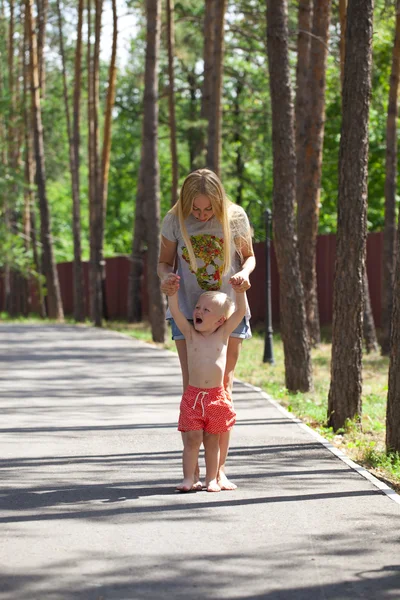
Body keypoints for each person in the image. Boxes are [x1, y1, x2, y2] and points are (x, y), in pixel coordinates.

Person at [158, 168, 255, 490]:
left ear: (218, 200)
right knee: (193, 390)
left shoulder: (235, 217)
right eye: (195, 209)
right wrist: (165, 279)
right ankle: (192, 472)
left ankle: (218, 470)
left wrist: (244, 276)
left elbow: (249, 257)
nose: (201, 214)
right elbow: (164, 262)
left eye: (207, 209)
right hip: (187, 310)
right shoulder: (174, 220)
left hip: (228, 309)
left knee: (222, 390)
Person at [167, 284, 246, 492]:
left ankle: (212, 479)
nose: (198, 312)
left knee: (213, 441)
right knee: (192, 440)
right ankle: (189, 478)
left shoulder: (223, 335)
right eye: (198, 307)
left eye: (205, 310)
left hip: (216, 398)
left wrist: (241, 290)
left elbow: (240, 312)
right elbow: (175, 312)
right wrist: (172, 292)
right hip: (193, 397)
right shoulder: (190, 334)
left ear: (220, 320)